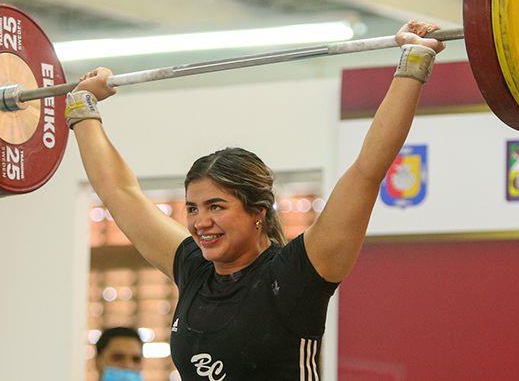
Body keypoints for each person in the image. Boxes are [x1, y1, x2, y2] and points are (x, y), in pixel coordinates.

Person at [66, 22, 445, 380]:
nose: (200, 222)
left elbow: (367, 171)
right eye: (193, 208)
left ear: (257, 213)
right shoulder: (193, 269)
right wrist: (83, 108)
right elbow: (119, 194)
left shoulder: (298, 274)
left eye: (217, 206)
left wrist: (413, 62)